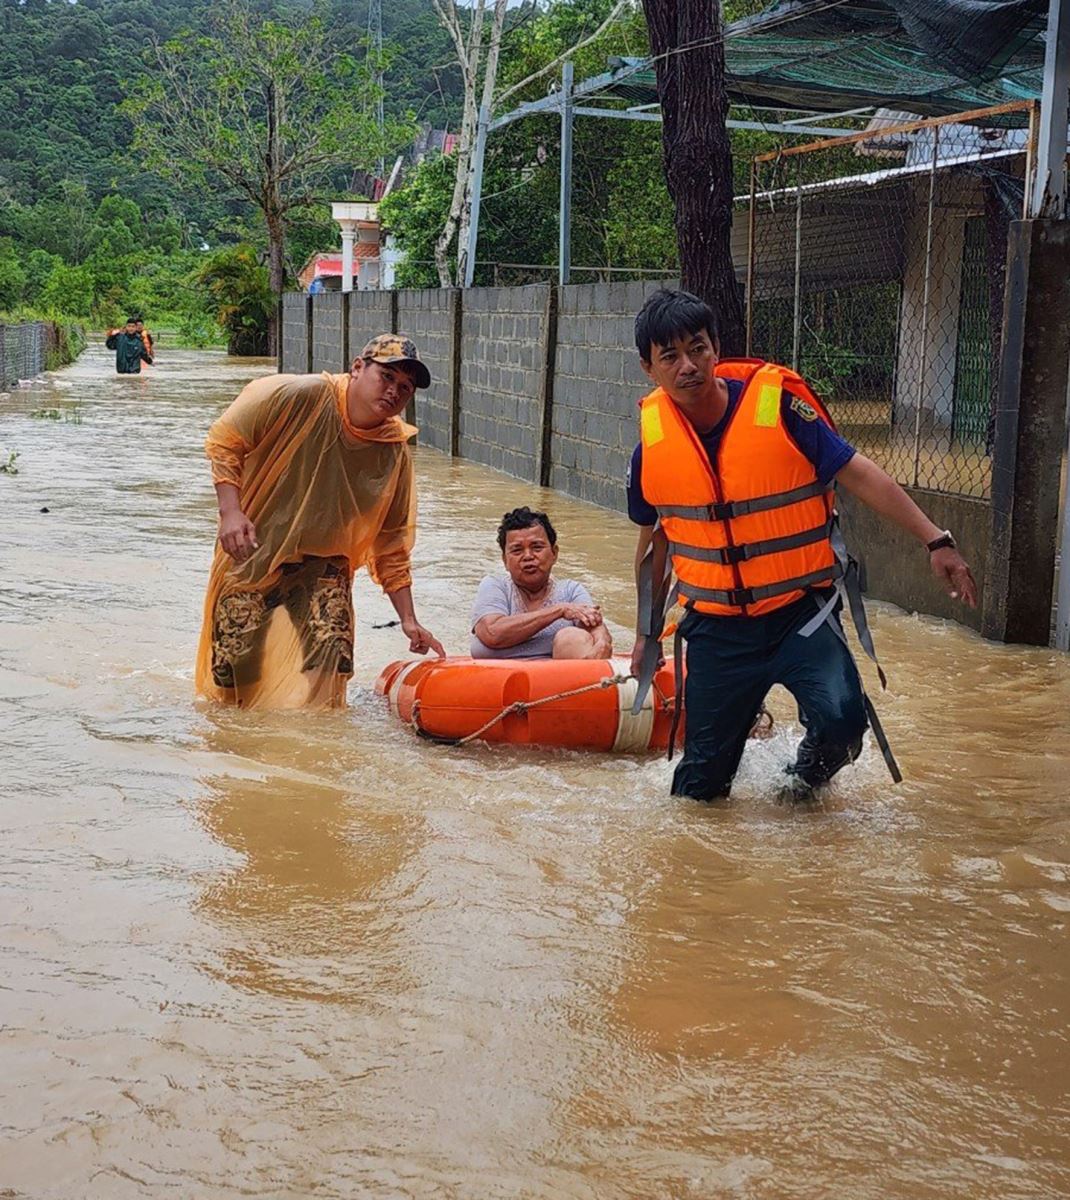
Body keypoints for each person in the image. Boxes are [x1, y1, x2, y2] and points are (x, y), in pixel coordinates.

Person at [627, 289, 977, 804]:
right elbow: (652, 550)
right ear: (648, 369)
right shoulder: (650, 450)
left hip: (799, 614)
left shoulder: (781, 408)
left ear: (716, 347)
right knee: (699, 793)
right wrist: (646, 633)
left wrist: (935, 539)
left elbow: (859, 473)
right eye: (670, 356)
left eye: (697, 348)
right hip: (718, 630)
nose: (688, 365)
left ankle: (797, 788)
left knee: (841, 722)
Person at [195, 334, 445, 709]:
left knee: (331, 667)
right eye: (387, 377)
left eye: (405, 387)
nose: (395, 391)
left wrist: (408, 619)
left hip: (323, 566)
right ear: (357, 368)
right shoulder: (300, 396)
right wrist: (230, 511)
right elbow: (227, 440)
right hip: (252, 553)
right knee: (234, 681)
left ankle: (315, 751)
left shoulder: (393, 452)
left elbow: (391, 543)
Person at [470, 506, 613, 660]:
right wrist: (559, 611)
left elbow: (594, 625)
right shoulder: (495, 585)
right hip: (498, 680)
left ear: (554, 553)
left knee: (573, 637)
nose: (528, 556)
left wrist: (602, 640)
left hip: (563, 679)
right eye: (517, 550)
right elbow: (492, 633)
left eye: (537, 547)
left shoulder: (571, 590)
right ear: (505, 560)